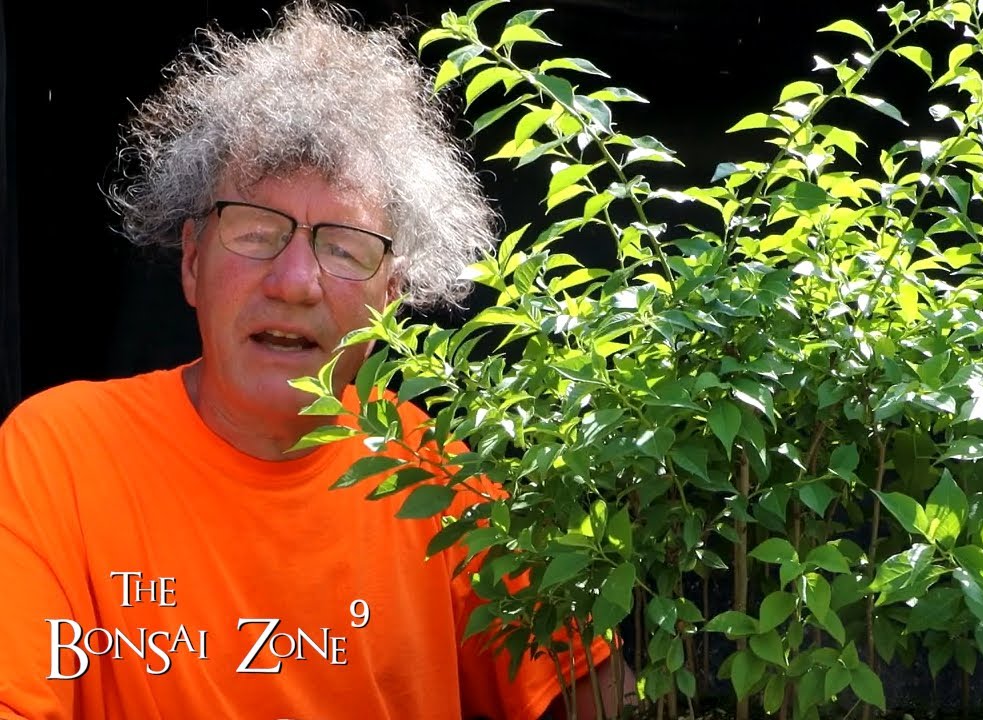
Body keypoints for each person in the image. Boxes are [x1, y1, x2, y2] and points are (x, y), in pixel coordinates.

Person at [0, 2, 629, 718]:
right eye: (257, 230)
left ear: (392, 298)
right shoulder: (60, 456)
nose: (295, 282)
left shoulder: (440, 480)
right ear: (192, 262)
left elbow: (609, 701)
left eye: (342, 248)